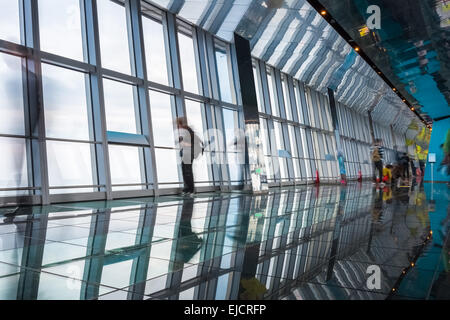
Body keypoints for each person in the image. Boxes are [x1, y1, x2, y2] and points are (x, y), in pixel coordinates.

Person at [176, 117, 203, 195]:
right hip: (189, 152)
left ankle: (190, 189)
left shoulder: (185, 131)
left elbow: (189, 143)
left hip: (189, 153)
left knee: (187, 170)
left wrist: (182, 143)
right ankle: (188, 189)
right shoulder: (188, 130)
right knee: (187, 170)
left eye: (178, 125)